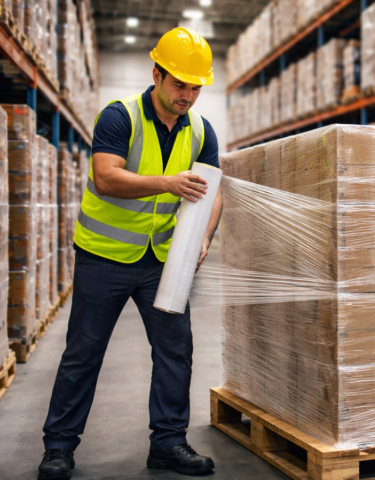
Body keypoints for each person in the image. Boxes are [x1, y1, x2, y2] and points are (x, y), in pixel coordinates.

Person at [37, 27, 223, 480]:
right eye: (180, 84)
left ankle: (168, 443)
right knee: (83, 353)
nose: (188, 95)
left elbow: (213, 189)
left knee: (176, 352)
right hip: (104, 258)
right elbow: (106, 178)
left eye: (196, 87)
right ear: (156, 74)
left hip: (161, 260)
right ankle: (59, 448)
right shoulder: (119, 117)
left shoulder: (200, 130)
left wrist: (203, 238)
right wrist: (167, 183)